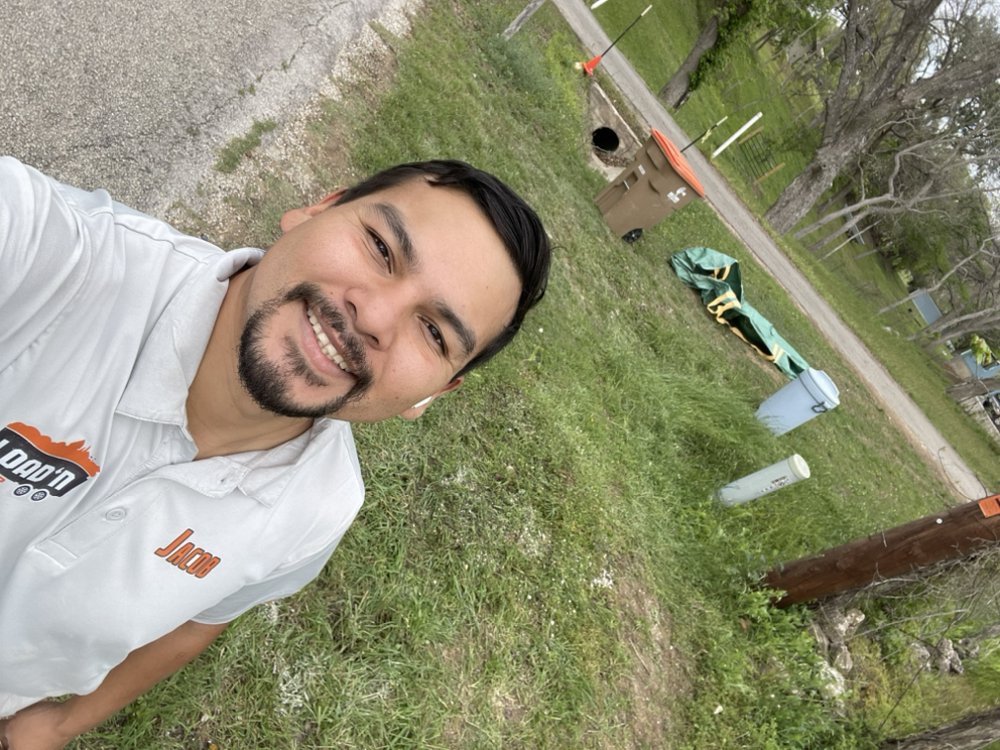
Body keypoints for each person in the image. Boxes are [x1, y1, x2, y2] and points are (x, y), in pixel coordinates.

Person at [0, 156, 551, 748]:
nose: (374, 316)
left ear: (433, 394)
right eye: (381, 248)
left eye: (434, 333)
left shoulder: (318, 511)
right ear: (316, 208)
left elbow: (199, 620)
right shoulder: (54, 259)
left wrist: (62, 724)